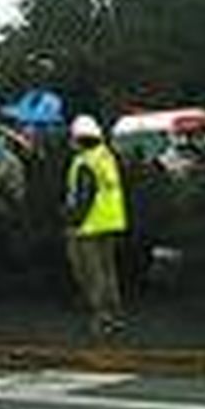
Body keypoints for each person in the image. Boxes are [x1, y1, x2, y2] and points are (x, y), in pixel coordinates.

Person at [63, 114, 128, 337]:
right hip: (110, 222)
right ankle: (115, 317)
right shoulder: (106, 157)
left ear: (79, 139)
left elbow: (84, 197)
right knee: (109, 272)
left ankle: (102, 319)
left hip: (87, 226)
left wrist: (72, 222)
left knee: (92, 274)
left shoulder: (84, 162)